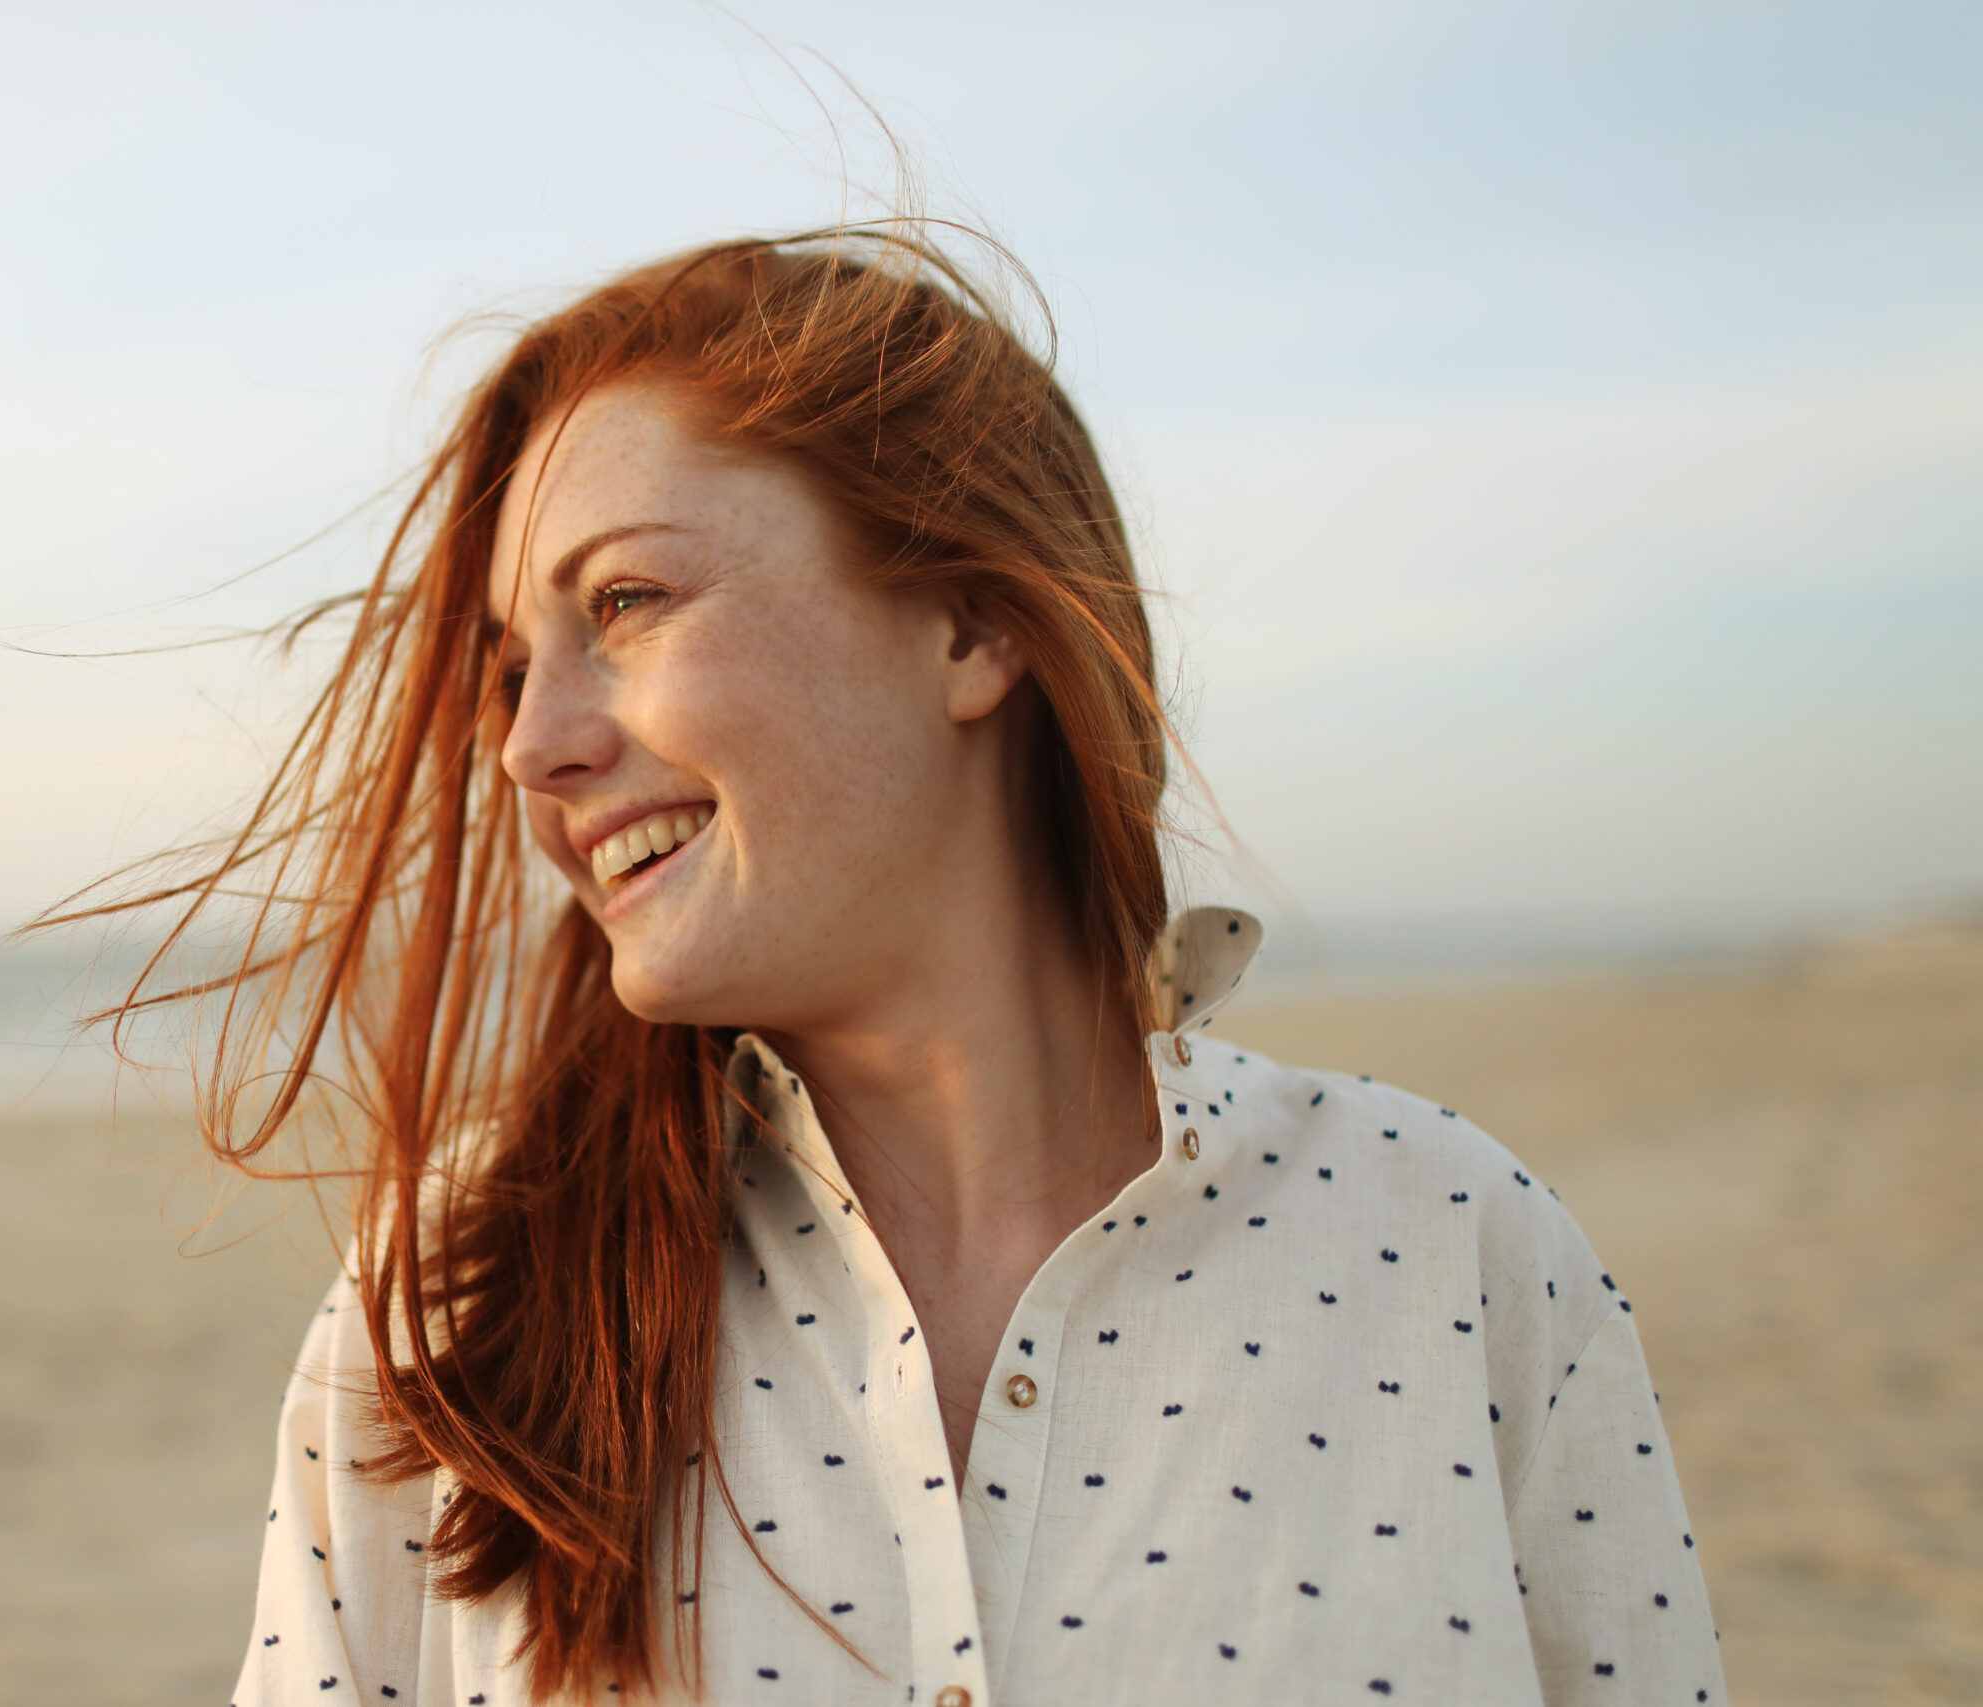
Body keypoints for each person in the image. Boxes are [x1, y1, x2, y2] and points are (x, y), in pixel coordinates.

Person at [145, 229, 1725, 1704]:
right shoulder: (447, 1317)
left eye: (623, 602)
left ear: (972, 625)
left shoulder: (1449, 1252)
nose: (532, 749)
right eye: (510, 670)